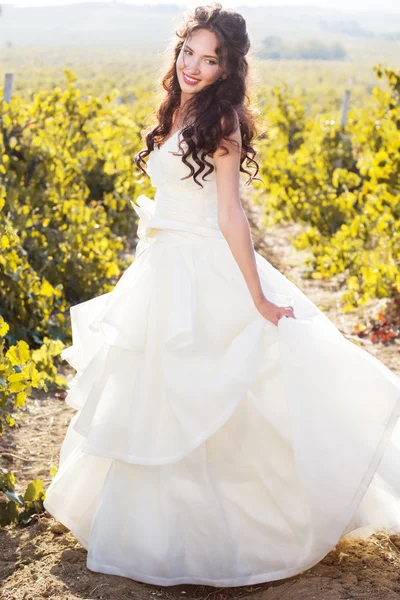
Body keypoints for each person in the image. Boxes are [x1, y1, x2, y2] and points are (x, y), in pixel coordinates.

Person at [44, 2, 400, 588]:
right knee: (157, 395)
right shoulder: (177, 107)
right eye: (188, 51)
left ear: (228, 68)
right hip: (163, 266)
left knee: (213, 395)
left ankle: (229, 533)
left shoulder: (222, 121)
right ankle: (152, 530)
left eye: (209, 59)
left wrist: (257, 298)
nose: (193, 65)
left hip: (202, 264)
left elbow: (230, 214)